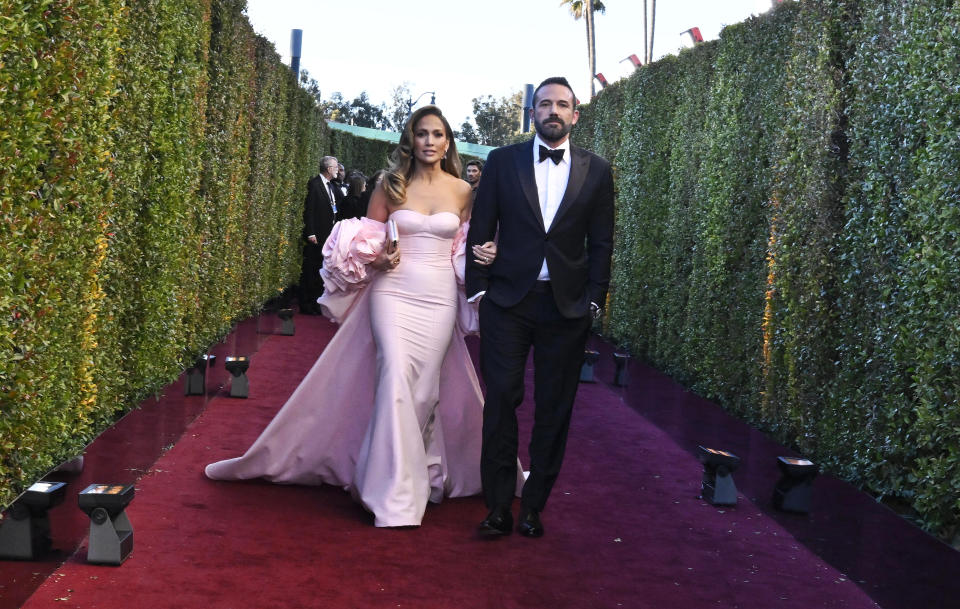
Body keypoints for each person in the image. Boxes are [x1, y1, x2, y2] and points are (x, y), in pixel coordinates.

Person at [205, 106, 503, 528]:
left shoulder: (462, 192)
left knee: (425, 392)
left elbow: (466, 249)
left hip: (438, 299)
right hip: (392, 294)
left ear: (448, 142)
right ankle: (391, 493)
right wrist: (379, 259)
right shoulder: (390, 185)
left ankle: (423, 473)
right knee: (397, 377)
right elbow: (362, 244)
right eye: (422, 133)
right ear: (411, 140)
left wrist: (486, 253)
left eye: (438, 134)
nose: (430, 141)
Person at [465, 76, 615, 538]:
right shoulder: (502, 161)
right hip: (507, 302)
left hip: (566, 308)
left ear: (575, 114)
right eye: (544, 104)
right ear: (532, 112)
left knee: (555, 408)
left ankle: (533, 505)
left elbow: (602, 243)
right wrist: (480, 289)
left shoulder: (598, 170)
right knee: (501, 401)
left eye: (561, 104)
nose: (553, 111)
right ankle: (496, 507)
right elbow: (480, 229)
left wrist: (593, 299)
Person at [299, 156, 342, 314]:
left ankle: (316, 303)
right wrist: (310, 232)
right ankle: (307, 303)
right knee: (311, 269)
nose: (337, 170)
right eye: (336, 167)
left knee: (320, 270)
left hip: (327, 235)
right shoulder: (315, 184)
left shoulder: (330, 186)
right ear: (329, 169)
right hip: (316, 235)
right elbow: (309, 209)